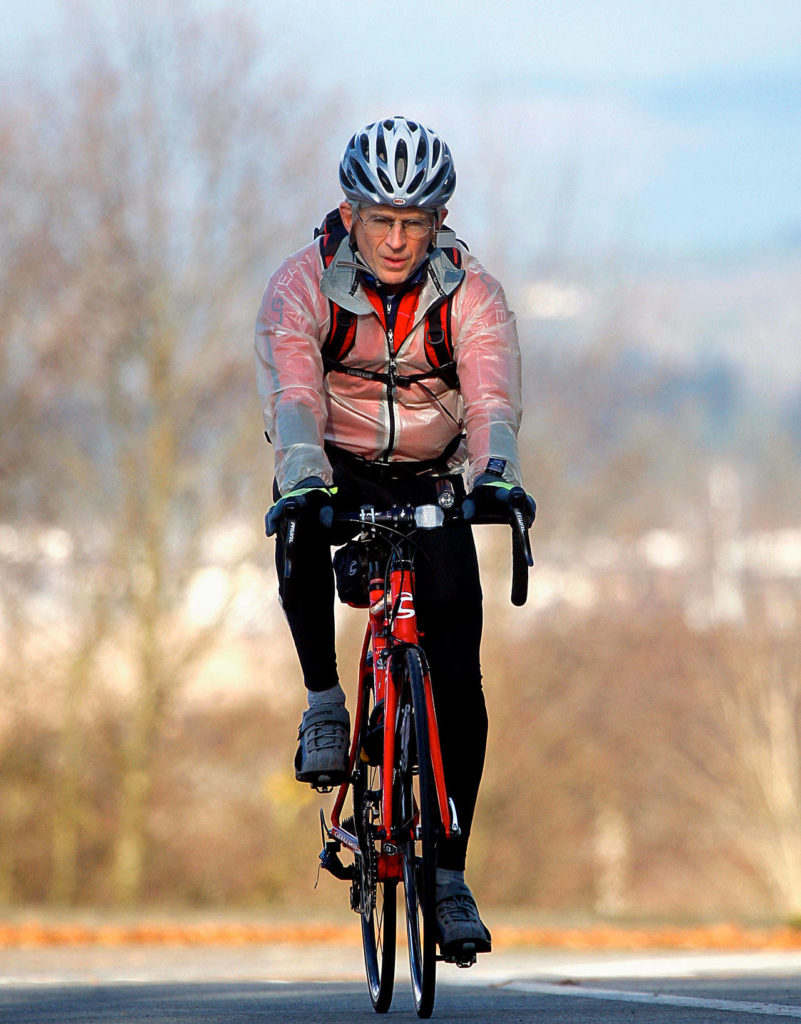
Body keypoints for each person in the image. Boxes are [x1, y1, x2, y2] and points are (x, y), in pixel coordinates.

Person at [255, 115, 534, 957]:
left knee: (458, 670)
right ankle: (324, 704)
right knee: (297, 525)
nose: (398, 239)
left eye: (416, 222)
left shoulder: (471, 293)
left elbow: (490, 400)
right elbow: (294, 397)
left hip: (430, 471)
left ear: (441, 221)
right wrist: (304, 478)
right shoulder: (298, 286)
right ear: (349, 212)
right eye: (382, 219)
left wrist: (499, 478)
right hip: (336, 459)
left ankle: (448, 876)